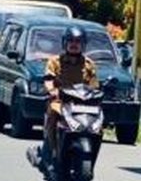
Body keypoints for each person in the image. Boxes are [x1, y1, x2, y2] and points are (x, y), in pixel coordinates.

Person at [32, 25, 98, 169]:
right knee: (53, 114)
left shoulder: (89, 64)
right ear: (64, 43)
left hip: (82, 104)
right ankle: (51, 153)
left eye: (78, 41)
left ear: (83, 44)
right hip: (60, 101)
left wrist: (97, 93)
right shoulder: (55, 61)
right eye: (71, 41)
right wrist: (53, 90)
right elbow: (48, 80)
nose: (74, 44)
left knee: (97, 125)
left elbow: (94, 85)